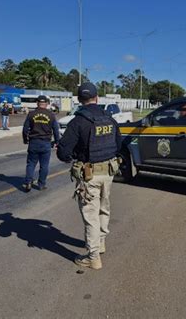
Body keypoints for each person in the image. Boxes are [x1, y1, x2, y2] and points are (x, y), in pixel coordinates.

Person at [57, 82, 121, 270]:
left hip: (89, 176)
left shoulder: (78, 121)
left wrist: (73, 156)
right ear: (97, 98)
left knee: (90, 214)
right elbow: (118, 144)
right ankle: (100, 243)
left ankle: (93, 257)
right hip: (108, 173)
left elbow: (63, 152)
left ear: (78, 100)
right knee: (104, 208)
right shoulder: (109, 118)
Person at [22, 95, 59, 192]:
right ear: (46, 104)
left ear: (37, 103)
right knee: (44, 165)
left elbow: (25, 129)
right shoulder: (51, 115)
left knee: (31, 163)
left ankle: (28, 182)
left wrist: (25, 140)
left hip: (34, 142)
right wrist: (57, 142)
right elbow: (56, 130)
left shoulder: (31, 114)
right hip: (45, 142)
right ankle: (41, 184)